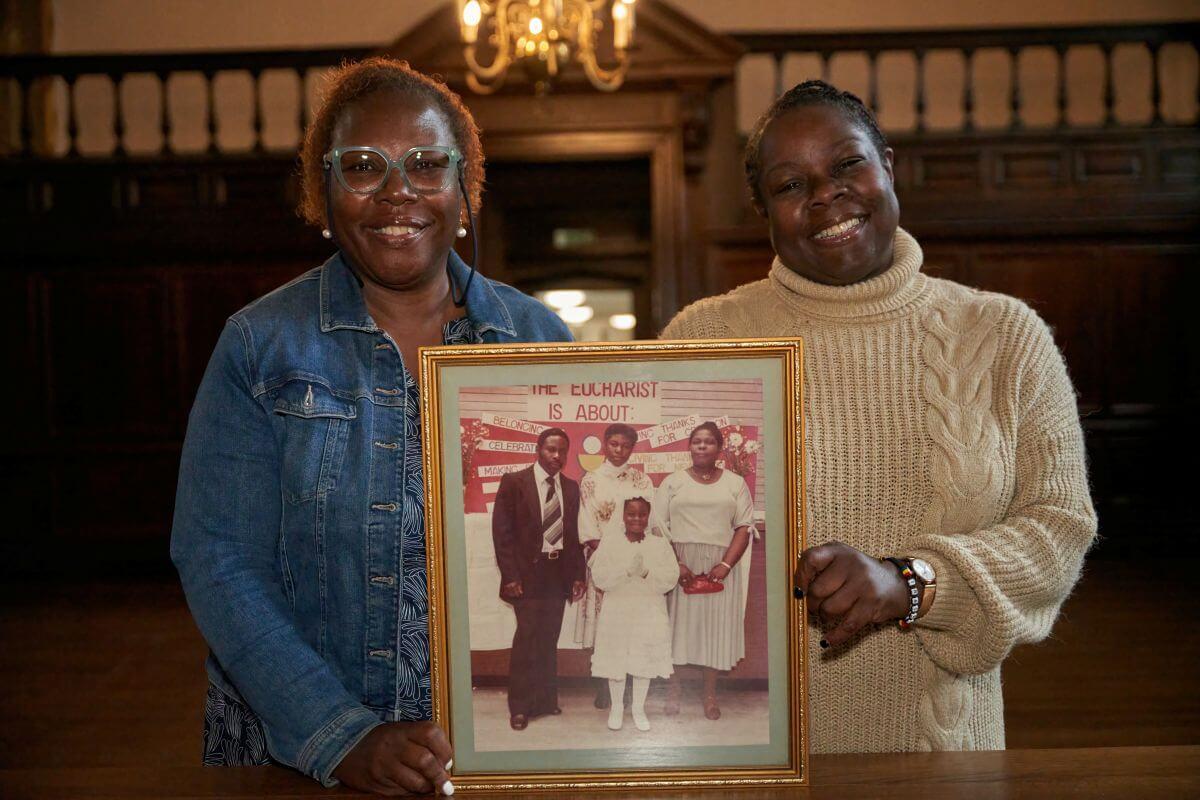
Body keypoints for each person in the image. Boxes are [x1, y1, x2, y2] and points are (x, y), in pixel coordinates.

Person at [169, 57, 571, 794]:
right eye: (363, 166)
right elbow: (219, 557)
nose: (398, 191)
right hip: (295, 753)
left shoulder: (538, 336)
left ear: (463, 188)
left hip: (496, 748)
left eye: (426, 164)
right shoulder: (261, 344)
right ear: (323, 192)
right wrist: (339, 735)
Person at [660, 80, 1097, 751]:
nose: (826, 196)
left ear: (886, 165)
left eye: (847, 166)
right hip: (742, 754)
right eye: (789, 184)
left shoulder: (1003, 334)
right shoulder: (703, 338)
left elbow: (1059, 529)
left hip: (938, 754)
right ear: (762, 211)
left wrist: (912, 583)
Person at [657, 421, 756, 721]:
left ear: (719, 448)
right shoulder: (672, 482)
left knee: (714, 631)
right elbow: (659, 527)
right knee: (674, 629)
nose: (701, 446)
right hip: (678, 562)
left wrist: (726, 564)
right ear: (689, 447)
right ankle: (673, 691)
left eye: (708, 442)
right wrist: (676, 564)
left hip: (719, 565)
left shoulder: (734, 483)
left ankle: (709, 695)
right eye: (696, 441)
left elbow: (743, 526)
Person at [491, 427, 587, 731]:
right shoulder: (514, 482)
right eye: (551, 450)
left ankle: (545, 700)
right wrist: (510, 576)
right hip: (526, 575)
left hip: (557, 574)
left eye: (562, 451)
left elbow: (573, 536)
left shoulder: (571, 488)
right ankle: (520, 707)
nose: (557, 456)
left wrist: (577, 575)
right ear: (538, 449)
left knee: (549, 637)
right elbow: (502, 534)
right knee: (527, 637)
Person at [575, 423, 664, 708]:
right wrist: (614, 559)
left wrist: (635, 559)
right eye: (613, 444)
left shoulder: (642, 481)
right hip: (606, 563)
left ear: (632, 448)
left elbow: (648, 522)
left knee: (632, 623)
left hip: (637, 563)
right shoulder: (591, 480)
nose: (619, 450)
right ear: (605, 444)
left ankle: (627, 684)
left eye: (625, 446)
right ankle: (604, 684)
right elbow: (589, 526)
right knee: (607, 625)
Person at [589, 496, 679, 732]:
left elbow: (670, 578)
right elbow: (600, 577)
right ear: (623, 516)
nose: (636, 519)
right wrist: (626, 572)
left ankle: (639, 708)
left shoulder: (659, 545)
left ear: (648, 517)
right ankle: (617, 706)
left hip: (648, 610)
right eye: (631, 514)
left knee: (643, 658)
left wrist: (647, 572)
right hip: (618, 609)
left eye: (641, 514)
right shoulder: (611, 544)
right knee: (616, 657)